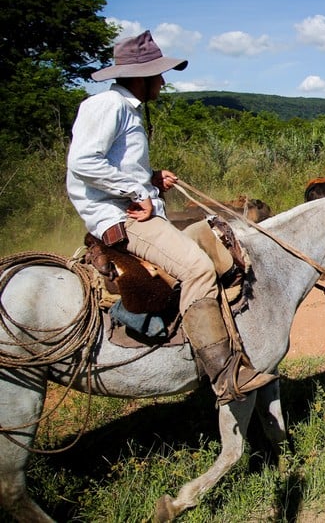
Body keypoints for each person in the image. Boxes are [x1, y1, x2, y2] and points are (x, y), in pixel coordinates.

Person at [67, 30, 277, 405]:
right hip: (122, 216)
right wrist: (135, 193)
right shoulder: (108, 107)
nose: (163, 81)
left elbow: (112, 166)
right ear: (140, 76)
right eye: (158, 74)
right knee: (198, 268)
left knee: (210, 239)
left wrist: (149, 180)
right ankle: (223, 372)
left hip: (129, 206)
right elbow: (83, 163)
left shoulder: (124, 106)